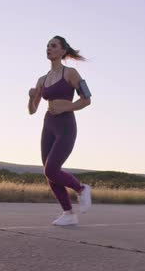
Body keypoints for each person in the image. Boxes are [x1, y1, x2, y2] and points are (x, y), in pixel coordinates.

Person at [27, 36, 93, 226]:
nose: (49, 48)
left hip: (65, 125)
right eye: (47, 45)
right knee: (49, 172)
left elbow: (86, 99)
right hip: (48, 125)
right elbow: (32, 110)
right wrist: (31, 97)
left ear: (63, 51)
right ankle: (69, 213)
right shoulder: (42, 79)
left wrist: (66, 108)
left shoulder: (71, 73)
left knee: (51, 168)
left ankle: (81, 189)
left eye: (53, 46)